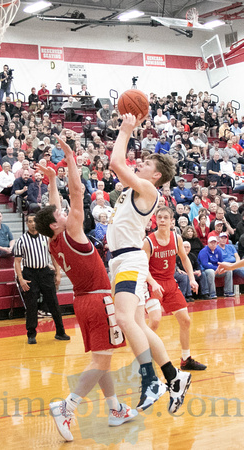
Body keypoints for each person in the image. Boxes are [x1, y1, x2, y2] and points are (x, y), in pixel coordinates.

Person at [34, 136, 137, 442]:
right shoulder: (73, 231)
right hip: (98, 299)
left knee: (101, 358)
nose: (65, 212)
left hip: (81, 301)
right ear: (56, 224)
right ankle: (68, 406)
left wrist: (53, 179)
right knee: (102, 360)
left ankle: (115, 407)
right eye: (60, 215)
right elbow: (77, 191)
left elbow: (54, 206)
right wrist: (69, 158)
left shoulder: (54, 240)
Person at [106, 113, 191, 414]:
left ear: (156, 176)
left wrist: (126, 130)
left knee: (125, 320)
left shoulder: (149, 190)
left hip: (129, 258)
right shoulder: (135, 190)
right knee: (139, 324)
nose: (139, 164)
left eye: (146, 165)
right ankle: (173, 376)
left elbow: (116, 163)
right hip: (122, 261)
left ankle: (150, 380)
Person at [143, 206, 206, 370]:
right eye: (159, 217)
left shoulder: (176, 238)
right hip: (152, 283)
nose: (162, 220)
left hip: (170, 283)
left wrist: (192, 279)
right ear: (155, 219)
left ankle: (186, 359)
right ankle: (143, 360)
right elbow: (141, 267)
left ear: (172, 221)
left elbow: (185, 259)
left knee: (185, 321)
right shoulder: (148, 241)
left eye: (165, 217)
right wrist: (153, 282)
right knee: (155, 321)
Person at [14, 214, 70, 344]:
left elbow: (53, 255)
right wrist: (21, 279)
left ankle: (60, 332)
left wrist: (58, 273)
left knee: (53, 303)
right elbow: (17, 262)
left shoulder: (46, 237)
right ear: (27, 223)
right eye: (30, 221)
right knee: (31, 305)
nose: (32, 223)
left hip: (45, 272)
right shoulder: (21, 240)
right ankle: (31, 334)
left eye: (34, 221)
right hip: (30, 273)